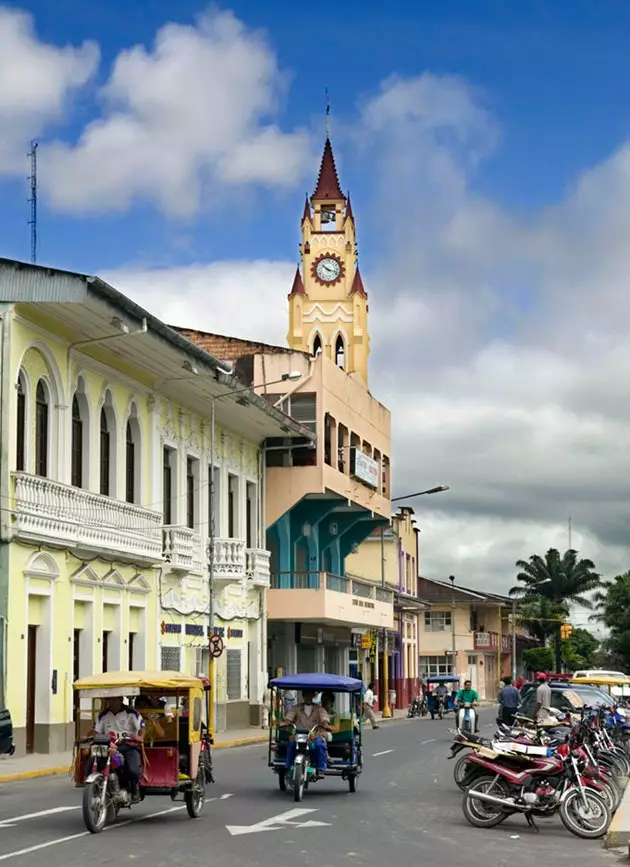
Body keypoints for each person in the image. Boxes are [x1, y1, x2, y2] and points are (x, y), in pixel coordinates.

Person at [91, 696, 144, 801]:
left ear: (120, 699)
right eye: (109, 699)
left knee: (133, 770)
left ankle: (134, 788)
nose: (110, 702)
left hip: (128, 746)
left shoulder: (131, 713)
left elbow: (142, 728)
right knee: (91, 762)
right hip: (109, 747)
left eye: (113, 699)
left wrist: (140, 737)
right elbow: (96, 730)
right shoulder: (103, 715)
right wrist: (91, 737)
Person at [280, 689, 331, 778]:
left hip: (314, 736)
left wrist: (325, 724)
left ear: (313, 696)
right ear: (303, 696)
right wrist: (285, 722)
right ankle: (288, 767)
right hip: (299, 735)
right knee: (291, 744)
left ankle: (321, 768)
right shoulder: (296, 708)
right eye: (306, 695)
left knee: (319, 745)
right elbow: (290, 716)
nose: (307, 697)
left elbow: (324, 718)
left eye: (309, 694)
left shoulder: (319, 709)